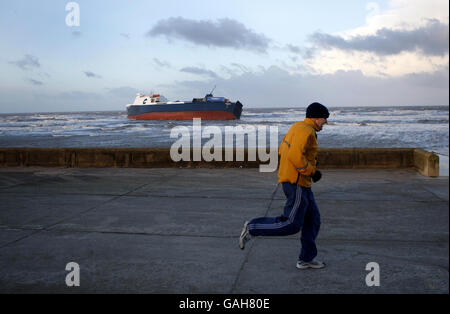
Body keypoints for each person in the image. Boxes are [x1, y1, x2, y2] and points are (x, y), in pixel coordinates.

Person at [239, 102, 330, 270]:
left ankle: (306, 259)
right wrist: (311, 171)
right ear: (317, 118)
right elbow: (295, 156)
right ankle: (252, 227)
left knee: (313, 221)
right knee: (291, 224)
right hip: (296, 184)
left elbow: (282, 150)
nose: (326, 122)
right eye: (325, 118)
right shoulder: (307, 131)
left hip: (300, 183)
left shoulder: (298, 126)